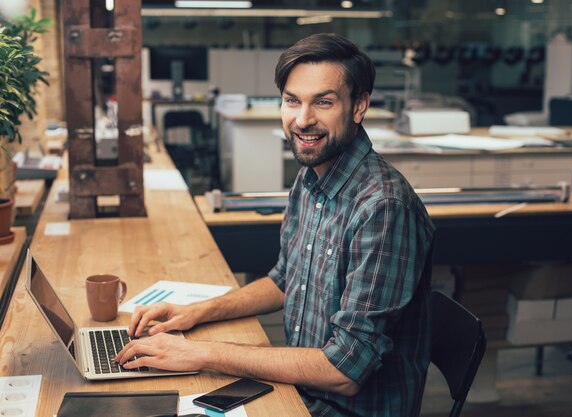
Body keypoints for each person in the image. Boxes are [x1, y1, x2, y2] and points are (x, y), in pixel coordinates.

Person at [115, 33, 434, 416]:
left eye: (324, 102)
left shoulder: (382, 207)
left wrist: (199, 352)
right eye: (292, 101)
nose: (303, 120)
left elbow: (344, 370)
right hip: (298, 389)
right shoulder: (312, 176)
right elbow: (285, 279)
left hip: (338, 407)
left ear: (359, 105)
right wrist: (197, 312)